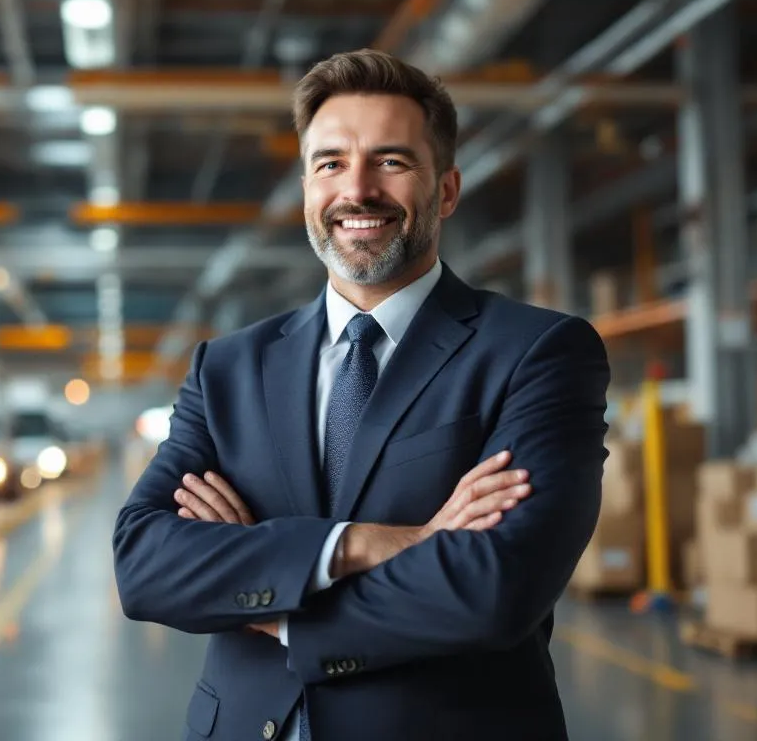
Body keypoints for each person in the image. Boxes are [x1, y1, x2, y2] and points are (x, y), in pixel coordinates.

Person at [111, 48, 610, 741]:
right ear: (308, 189)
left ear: (447, 190)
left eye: (392, 161)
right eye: (331, 164)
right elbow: (144, 565)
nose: (358, 189)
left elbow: (495, 587)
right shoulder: (227, 368)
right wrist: (361, 545)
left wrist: (267, 596)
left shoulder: (537, 353)